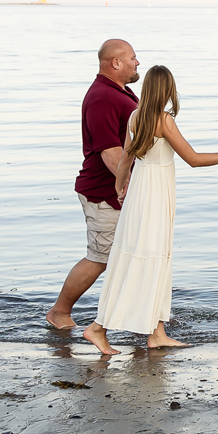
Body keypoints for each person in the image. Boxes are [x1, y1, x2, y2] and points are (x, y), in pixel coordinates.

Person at [82, 65, 218, 360]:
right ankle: (98, 328)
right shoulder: (163, 120)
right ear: (167, 90)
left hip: (141, 194)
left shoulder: (136, 117)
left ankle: (156, 333)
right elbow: (193, 159)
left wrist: (120, 187)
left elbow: (125, 159)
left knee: (153, 260)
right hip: (153, 197)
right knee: (149, 260)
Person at [46, 39, 141, 330]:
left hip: (118, 190)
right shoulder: (103, 97)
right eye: (133, 58)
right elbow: (109, 151)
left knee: (129, 255)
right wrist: (124, 189)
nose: (138, 63)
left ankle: (135, 317)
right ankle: (59, 313)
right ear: (115, 62)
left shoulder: (119, 91)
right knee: (99, 257)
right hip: (105, 192)